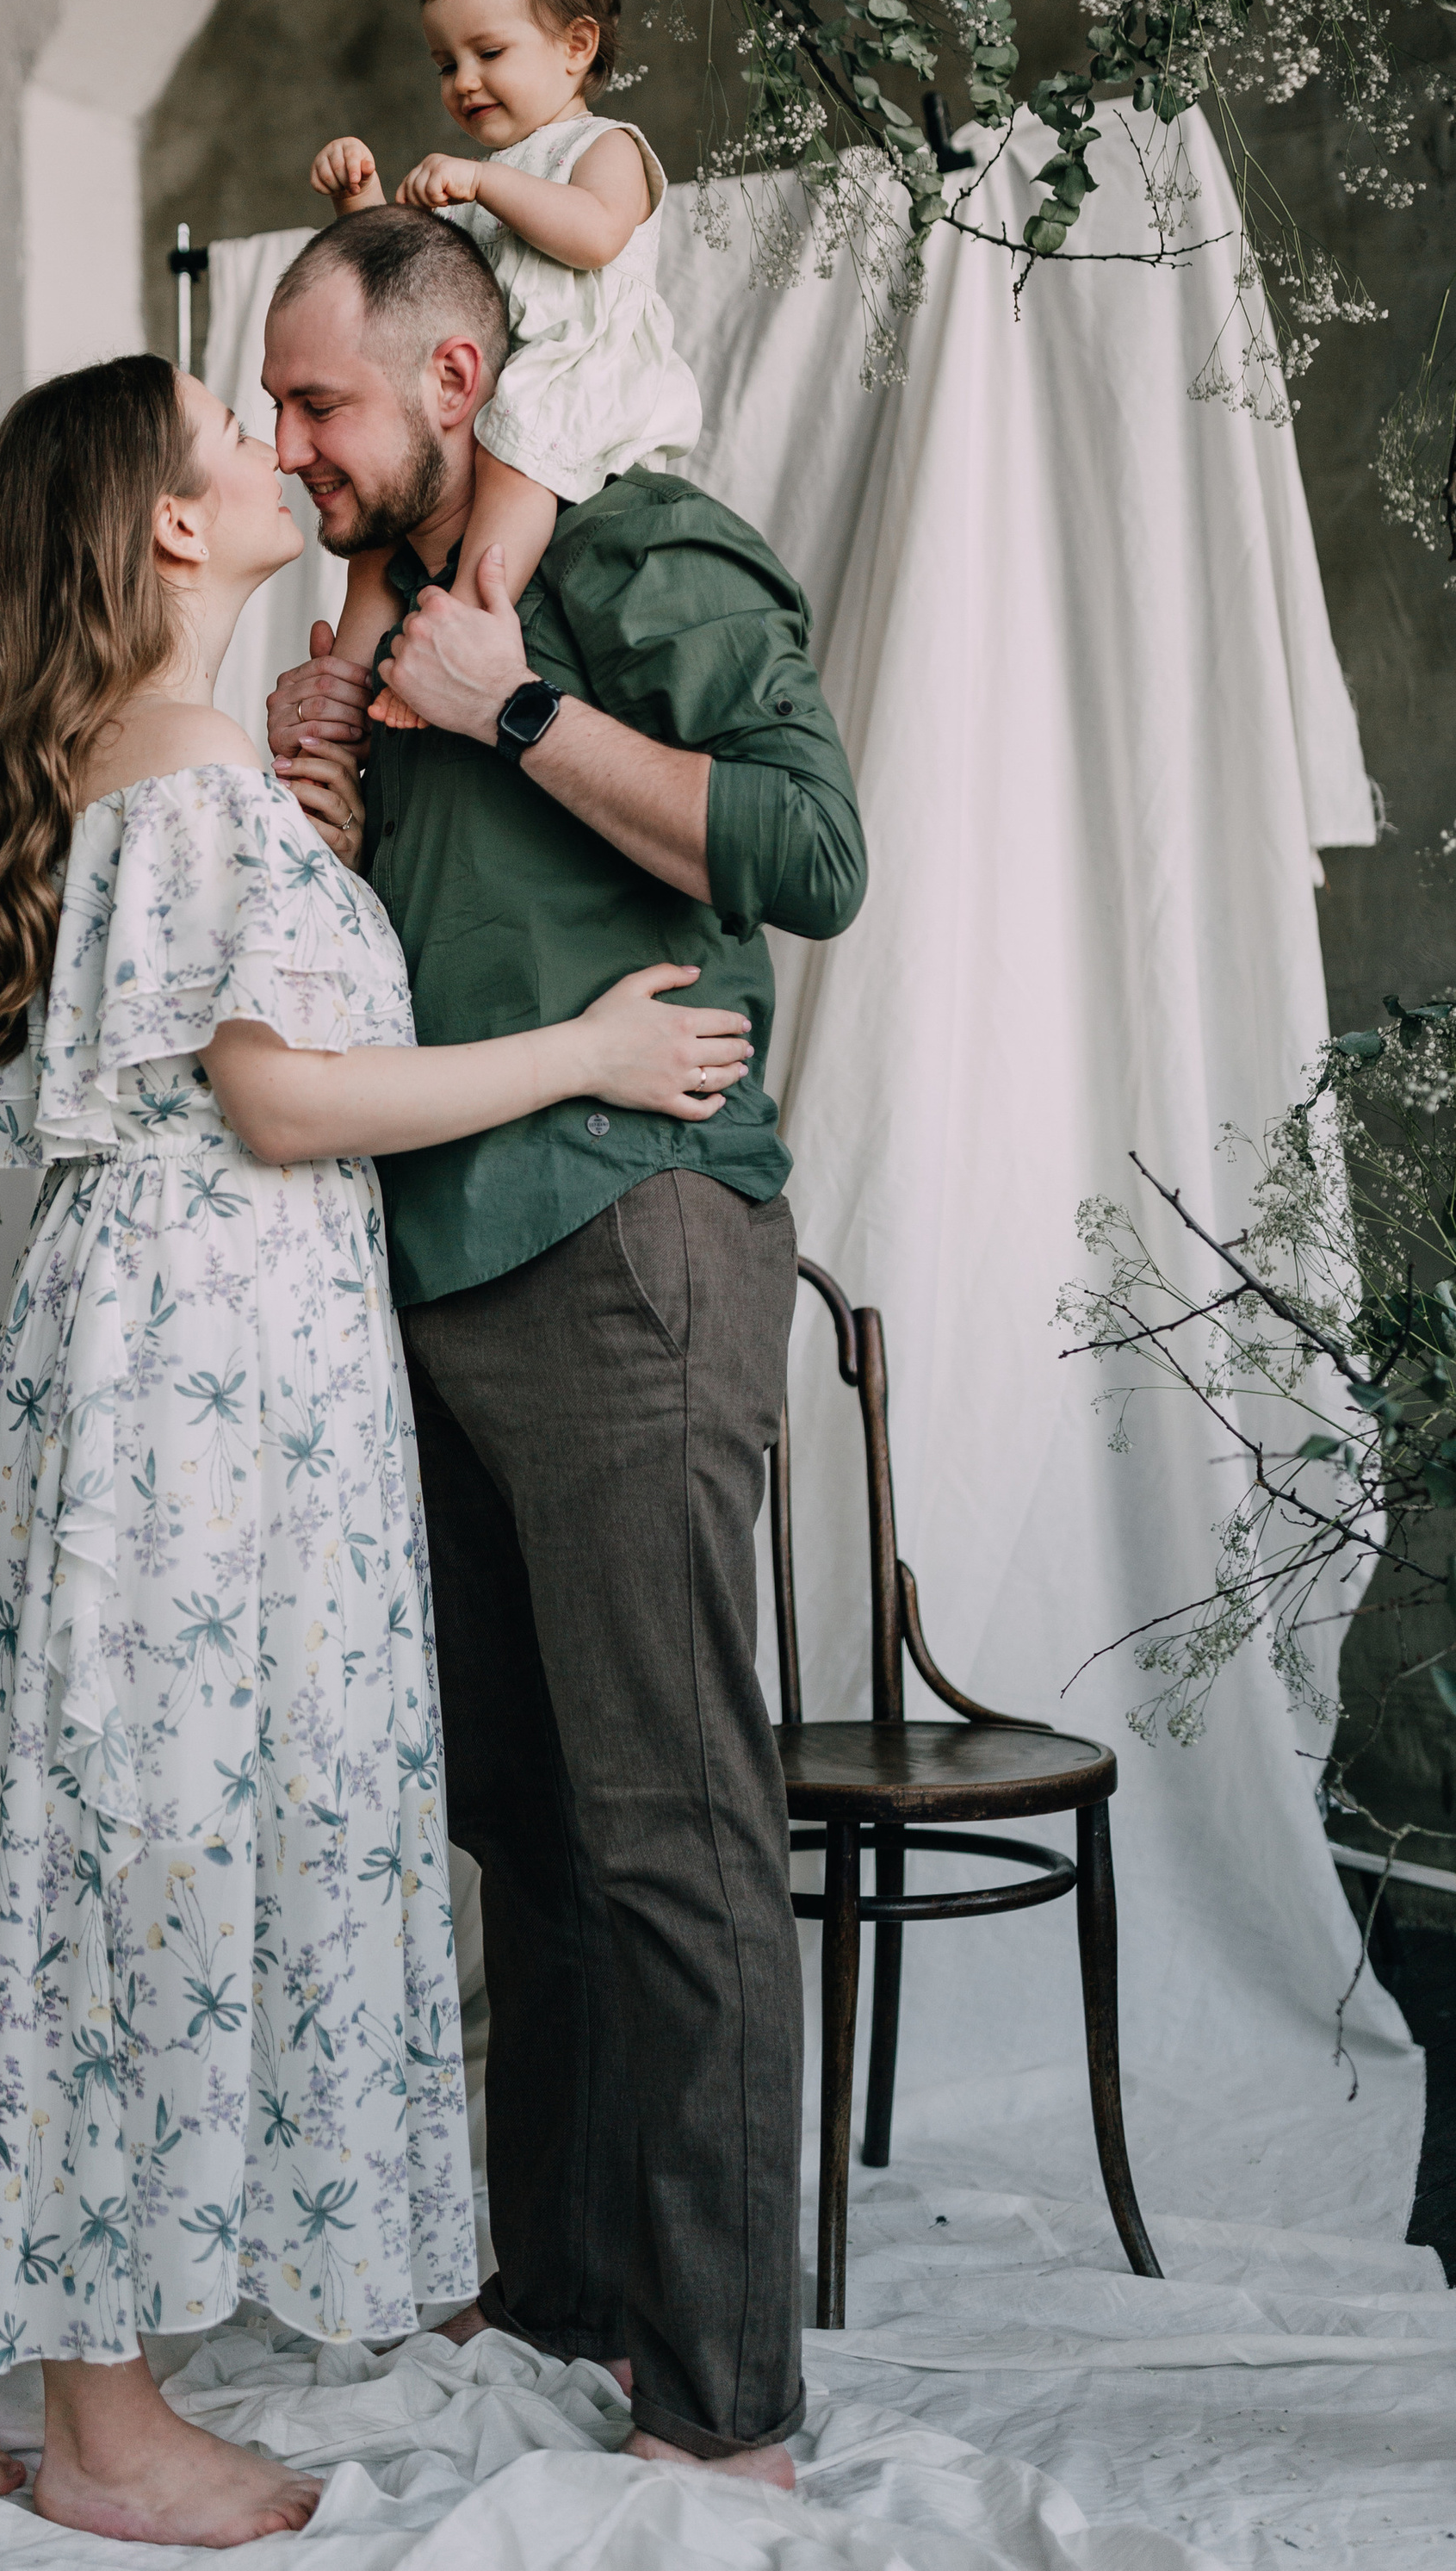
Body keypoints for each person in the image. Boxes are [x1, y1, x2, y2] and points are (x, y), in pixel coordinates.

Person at [0, 350, 757, 2548]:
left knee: (130, 1814)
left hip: (203, 1345)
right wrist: (584, 1048)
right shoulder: (175, 770)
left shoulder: (175, 749)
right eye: (235, 440)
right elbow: (274, 1096)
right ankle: (103, 2418)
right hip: (204, 1365)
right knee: (149, 1835)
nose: (278, 455)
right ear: (171, 526)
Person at [263, 209, 868, 2484]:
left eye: (316, 400)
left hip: (630, 1250)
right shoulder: (388, 617)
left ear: (446, 382)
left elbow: (808, 852)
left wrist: (511, 704)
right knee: (527, 1821)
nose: (286, 442)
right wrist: (326, 801)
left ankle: (728, 2414)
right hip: (436, 1278)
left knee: (674, 1831)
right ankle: (562, 2288)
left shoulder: (643, 557)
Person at [309, 0, 703, 730]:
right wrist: (358, 198)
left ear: (576, 46)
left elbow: (596, 236)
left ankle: (465, 629)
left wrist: (486, 186)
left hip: (574, 374)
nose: (462, 81)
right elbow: (404, 288)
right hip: (488, 385)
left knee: (518, 434)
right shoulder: (478, 179)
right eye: (444, 63)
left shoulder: (603, 146)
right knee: (389, 488)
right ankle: (340, 697)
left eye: (488, 53)